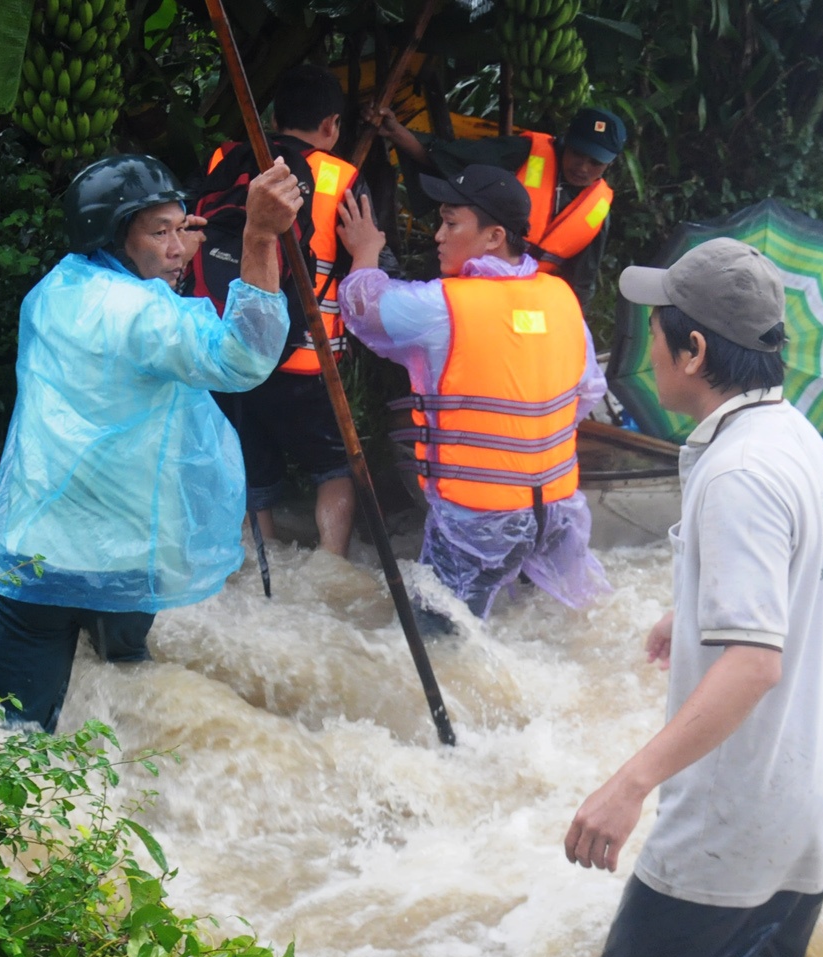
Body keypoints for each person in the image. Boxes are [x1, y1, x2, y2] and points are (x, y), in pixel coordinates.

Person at [563, 238, 823, 957]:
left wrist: (629, 785)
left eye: (659, 331)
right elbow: (790, 582)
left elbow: (754, 665)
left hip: (741, 814)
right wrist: (690, 609)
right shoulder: (790, 434)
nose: (646, 345)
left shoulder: (737, 470)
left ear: (693, 351)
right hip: (811, 801)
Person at [0, 153, 303, 731]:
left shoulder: (51, 290)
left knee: (3, 740)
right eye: (160, 232)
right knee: (128, 678)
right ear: (114, 235)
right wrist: (257, 237)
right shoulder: (147, 313)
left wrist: (166, 254)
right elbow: (244, 356)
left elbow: (129, 313)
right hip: (125, 557)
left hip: (35, 548)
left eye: (182, 229)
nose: (177, 246)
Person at [333, 162, 610, 629]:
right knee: (565, 627)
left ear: (493, 236)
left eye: (451, 222)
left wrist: (365, 252)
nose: (438, 235)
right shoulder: (561, 297)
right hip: (558, 512)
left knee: (442, 643)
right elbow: (587, 393)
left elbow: (363, 307)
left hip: (478, 521)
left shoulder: (442, 306)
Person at [198, 65, 370, 556]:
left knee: (251, 466)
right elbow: (369, 262)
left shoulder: (225, 158)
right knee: (335, 467)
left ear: (274, 116)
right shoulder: (341, 177)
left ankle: (259, 564)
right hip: (304, 357)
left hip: (230, 350)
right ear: (331, 124)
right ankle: (330, 566)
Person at [377, 107, 625, 306]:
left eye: (595, 162)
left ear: (610, 165)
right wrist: (397, 133)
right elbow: (450, 159)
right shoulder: (526, 152)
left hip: (524, 302)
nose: (582, 167)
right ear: (565, 142)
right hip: (464, 281)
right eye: (578, 154)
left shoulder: (599, 208)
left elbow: (582, 283)